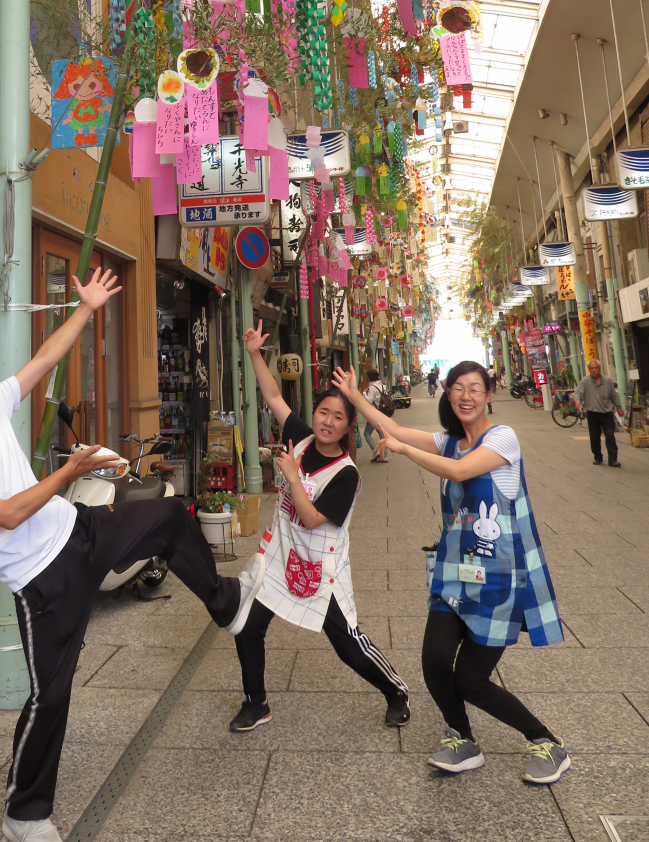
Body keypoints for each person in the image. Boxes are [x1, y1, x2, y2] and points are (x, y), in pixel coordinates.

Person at [0, 268, 266, 842]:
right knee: (51, 698)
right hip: (43, 581)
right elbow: (8, 514)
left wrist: (87, 308)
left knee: (170, 513)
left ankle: (226, 604)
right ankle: (23, 813)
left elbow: (43, 360)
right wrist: (71, 468)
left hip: (80, 529)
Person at [338, 360, 570, 785]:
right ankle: (461, 738)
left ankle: (545, 741)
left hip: (499, 580)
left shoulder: (504, 438)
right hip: (455, 573)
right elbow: (394, 426)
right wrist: (355, 397)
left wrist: (406, 450)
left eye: (475, 388)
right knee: (434, 660)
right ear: (448, 394)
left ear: (489, 394)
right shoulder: (448, 441)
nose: (466, 395)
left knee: (472, 680)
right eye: (458, 388)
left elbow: (461, 471)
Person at [228, 321, 410, 734]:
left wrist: (292, 477)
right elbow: (273, 394)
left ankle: (395, 690)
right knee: (246, 625)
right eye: (323, 412)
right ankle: (256, 703)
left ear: (349, 427)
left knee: (348, 646)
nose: (327, 421)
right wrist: (255, 352)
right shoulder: (302, 437)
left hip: (319, 570)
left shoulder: (346, 475)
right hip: (280, 560)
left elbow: (311, 518)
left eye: (338, 417)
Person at [575, 358, 622, 468]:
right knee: (595, 437)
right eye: (592, 368)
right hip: (593, 414)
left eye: (596, 368)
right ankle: (598, 456)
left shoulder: (607, 381)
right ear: (589, 369)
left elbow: (613, 395)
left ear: (599, 369)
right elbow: (578, 393)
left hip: (606, 413)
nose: (594, 370)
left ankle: (613, 459)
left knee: (610, 436)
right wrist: (577, 401)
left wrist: (619, 407)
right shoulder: (585, 381)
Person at [364, 367, 393, 463]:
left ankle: (375, 450)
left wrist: (364, 393)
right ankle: (384, 456)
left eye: (367, 377)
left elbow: (369, 400)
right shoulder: (382, 385)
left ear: (369, 377)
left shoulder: (372, 387)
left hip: (374, 414)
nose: (366, 378)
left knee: (367, 433)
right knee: (382, 434)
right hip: (383, 413)